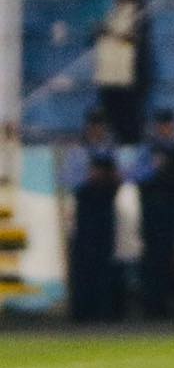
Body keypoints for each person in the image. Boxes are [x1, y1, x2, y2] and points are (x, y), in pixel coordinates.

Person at [63, 110, 124, 323]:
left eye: (101, 126)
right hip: (86, 210)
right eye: (95, 126)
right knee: (85, 260)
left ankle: (104, 309)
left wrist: (113, 178)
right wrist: (88, 178)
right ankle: (83, 310)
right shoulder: (78, 151)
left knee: (105, 259)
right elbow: (69, 181)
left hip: (105, 209)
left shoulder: (109, 150)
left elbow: (120, 176)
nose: (98, 130)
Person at [134, 110, 174, 319]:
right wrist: (154, 168)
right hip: (152, 213)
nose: (167, 129)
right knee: (152, 260)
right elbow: (135, 175)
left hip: (171, 213)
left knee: (168, 260)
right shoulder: (148, 150)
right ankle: (150, 305)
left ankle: (165, 305)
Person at [94, 0, 151, 145]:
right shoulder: (112, 10)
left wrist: (111, 33)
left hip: (128, 77)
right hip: (108, 74)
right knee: (111, 118)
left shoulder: (140, 11)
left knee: (129, 120)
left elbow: (136, 38)